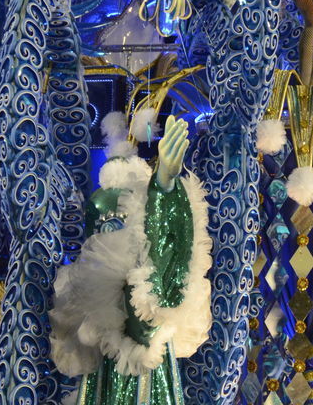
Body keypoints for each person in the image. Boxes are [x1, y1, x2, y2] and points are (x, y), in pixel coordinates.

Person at [50, 112, 211, 405]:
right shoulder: (91, 295)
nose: (109, 237)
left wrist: (164, 189)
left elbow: (162, 270)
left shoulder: (146, 289)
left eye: (123, 221)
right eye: (102, 226)